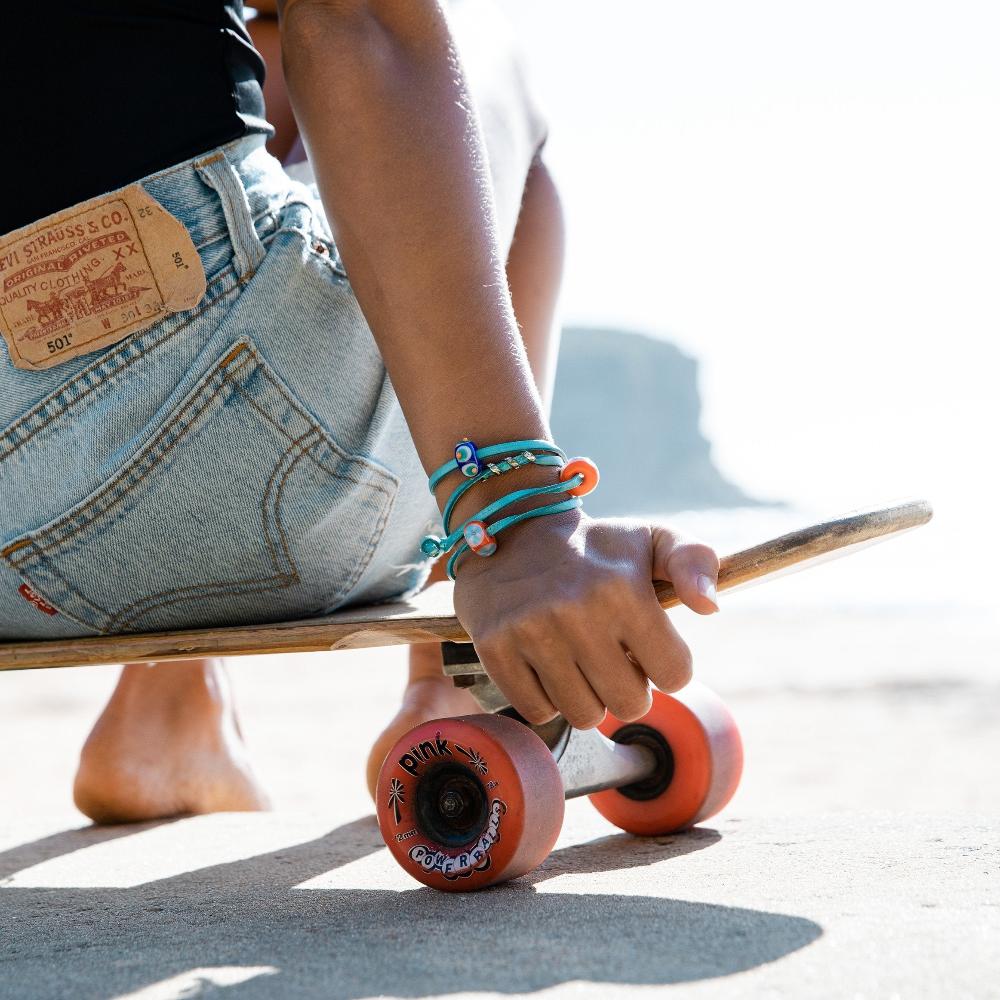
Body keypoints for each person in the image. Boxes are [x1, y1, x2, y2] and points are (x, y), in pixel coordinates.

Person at [0, 0, 720, 823]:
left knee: (243, 50)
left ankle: (173, 707)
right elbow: (365, 23)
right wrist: (525, 524)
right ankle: (453, 679)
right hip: (213, 440)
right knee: (467, 53)